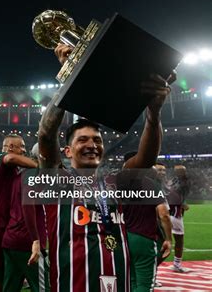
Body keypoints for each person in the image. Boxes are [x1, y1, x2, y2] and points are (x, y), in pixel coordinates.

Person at [36, 43, 173, 292]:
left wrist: (154, 112)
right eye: (83, 140)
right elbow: (46, 135)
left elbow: (146, 158)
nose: (92, 145)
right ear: (67, 151)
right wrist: (68, 78)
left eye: (97, 140)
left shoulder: (115, 183)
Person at [0, 134, 38, 292]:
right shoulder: (2, 160)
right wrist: (41, 165)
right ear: (10, 147)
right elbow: (10, 158)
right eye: (21, 146)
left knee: (4, 280)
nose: (24, 150)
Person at [120, 153, 172, 292]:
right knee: (144, 285)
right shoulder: (150, 183)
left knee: (131, 282)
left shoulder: (117, 184)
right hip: (143, 238)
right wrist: (168, 239)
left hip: (123, 238)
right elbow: (164, 214)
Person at [1, 145, 49, 292]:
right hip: (27, 242)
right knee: (44, 288)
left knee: (10, 287)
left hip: (11, 239)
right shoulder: (34, 175)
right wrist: (35, 239)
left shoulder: (20, 175)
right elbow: (28, 206)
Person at [166, 164, 191, 273]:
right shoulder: (184, 183)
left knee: (162, 240)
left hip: (168, 211)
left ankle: (154, 267)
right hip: (175, 213)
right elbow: (176, 195)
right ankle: (177, 265)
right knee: (179, 239)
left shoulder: (172, 181)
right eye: (182, 171)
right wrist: (183, 203)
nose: (185, 172)